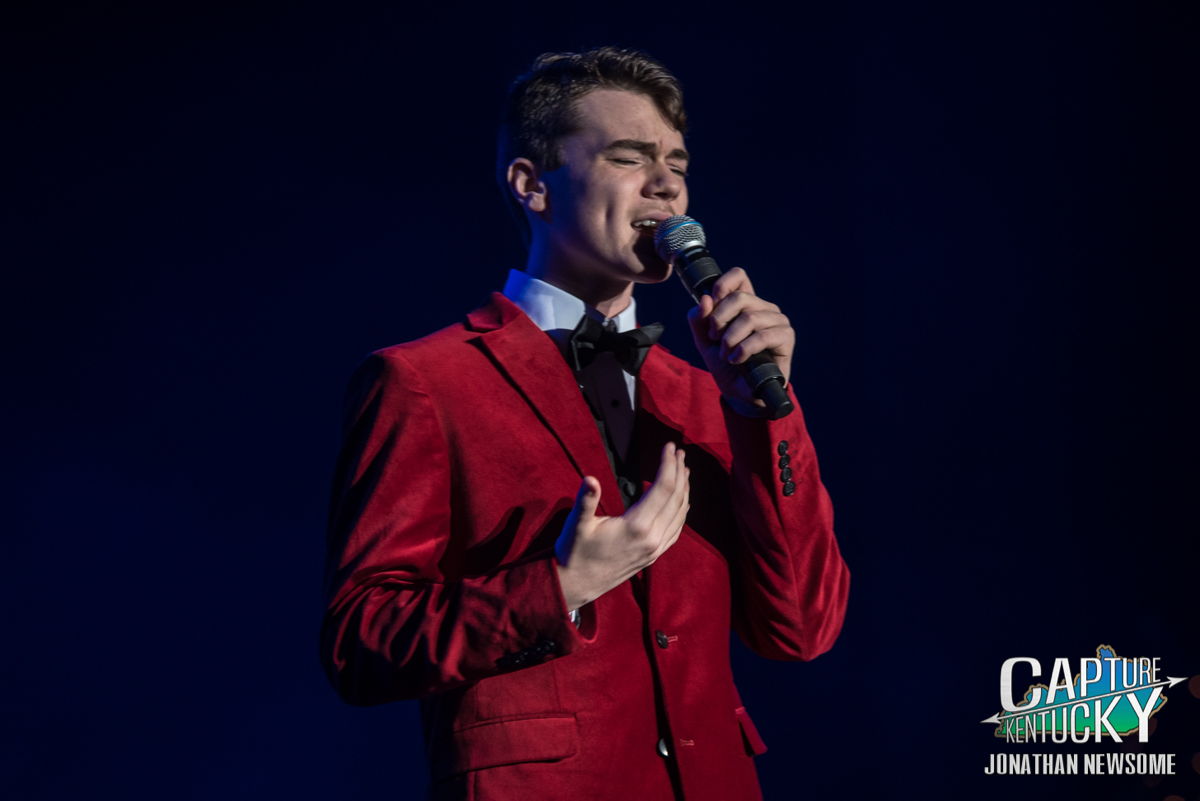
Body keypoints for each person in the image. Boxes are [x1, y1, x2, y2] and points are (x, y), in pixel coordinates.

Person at [321, 47, 850, 801]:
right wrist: (560, 586)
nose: (666, 183)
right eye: (629, 157)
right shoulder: (424, 382)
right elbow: (361, 639)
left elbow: (800, 627)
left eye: (676, 162)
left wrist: (763, 414)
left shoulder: (704, 394)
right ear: (532, 184)